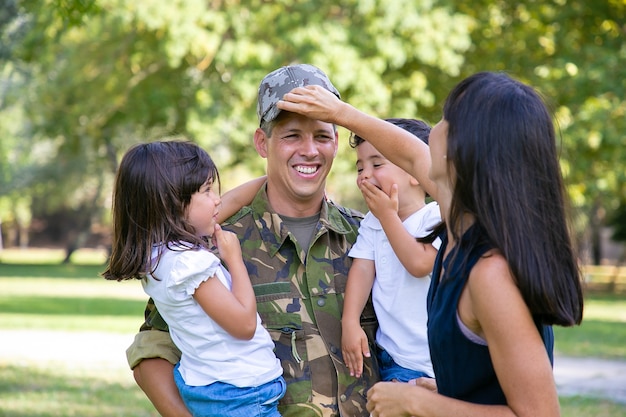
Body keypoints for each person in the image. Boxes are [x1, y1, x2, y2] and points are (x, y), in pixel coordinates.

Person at [277, 71, 584, 417]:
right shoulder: (459, 229)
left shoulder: (491, 274)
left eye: (446, 119)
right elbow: (409, 155)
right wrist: (339, 113)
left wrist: (418, 402)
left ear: (462, 150)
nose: (432, 129)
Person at [125, 64, 379, 417]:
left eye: (322, 136)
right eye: (292, 135)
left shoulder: (370, 239)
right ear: (263, 142)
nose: (309, 150)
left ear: (336, 142)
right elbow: (152, 349)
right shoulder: (210, 246)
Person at [102, 141, 286, 417]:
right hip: (241, 395)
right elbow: (244, 325)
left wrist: (279, 179)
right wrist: (234, 259)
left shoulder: (160, 255)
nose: (217, 199)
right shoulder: (189, 264)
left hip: (217, 388)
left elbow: (234, 200)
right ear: (172, 203)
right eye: (207, 190)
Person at [341, 118, 441, 386]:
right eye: (360, 167)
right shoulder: (373, 222)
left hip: (431, 362)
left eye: (377, 164)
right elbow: (362, 268)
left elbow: (420, 263)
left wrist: (387, 217)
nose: (364, 174)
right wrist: (350, 321)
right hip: (393, 359)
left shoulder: (436, 217)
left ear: (416, 171)